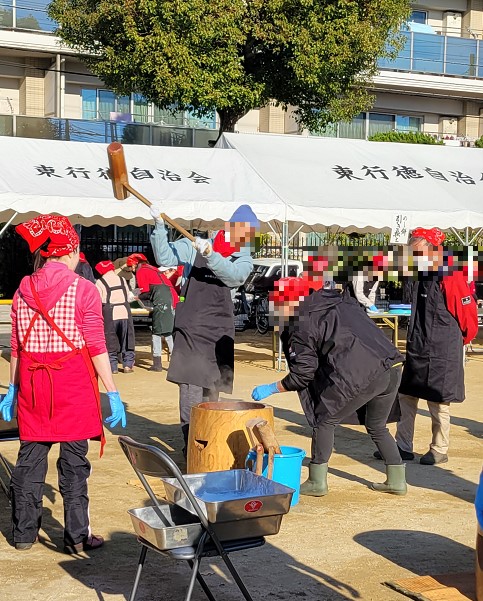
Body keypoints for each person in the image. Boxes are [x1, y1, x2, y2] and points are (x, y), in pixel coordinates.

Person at [0, 215, 127, 553]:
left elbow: (16, 346)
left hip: (32, 384)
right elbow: (97, 346)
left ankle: (24, 535)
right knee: (74, 464)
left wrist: (12, 388)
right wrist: (112, 392)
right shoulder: (83, 288)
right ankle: (75, 537)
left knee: (29, 460)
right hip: (72, 385)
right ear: (70, 250)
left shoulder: (22, 289)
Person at [251, 276, 407, 496]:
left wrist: (272, 388)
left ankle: (317, 481)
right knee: (376, 424)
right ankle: (397, 480)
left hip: (363, 373)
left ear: (288, 303)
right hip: (392, 365)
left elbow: (303, 374)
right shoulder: (338, 302)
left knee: (325, 420)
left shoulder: (301, 323)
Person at [149, 203, 259, 450]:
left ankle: (207, 445)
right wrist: (159, 226)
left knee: (212, 392)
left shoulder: (243, 258)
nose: (245, 237)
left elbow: (232, 276)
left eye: (249, 234)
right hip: (191, 329)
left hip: (218, 334)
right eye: (243, 230)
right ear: (230, 226)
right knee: (190, 390)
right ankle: (191, 447)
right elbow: (164, 257)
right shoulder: (192, 245)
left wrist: (211, 254)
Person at [390, 227, 478, 465]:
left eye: (417, 251)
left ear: (432, 248)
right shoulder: (419, 271)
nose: (414, 256)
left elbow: (466, 312)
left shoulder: (451, 273)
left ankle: (439, 448)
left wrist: (463, 339)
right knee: (406, 394)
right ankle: (403, 446)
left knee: (439, 400)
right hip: (418, 341)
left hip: (443, 346)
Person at [95, 260, 136, 374]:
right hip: (124, 313)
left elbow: (99, 300)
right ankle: (128, 365)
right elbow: (128, 297)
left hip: (110, 314)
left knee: (110, 340)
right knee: (127, 339)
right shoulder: (122, 279)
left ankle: (113, 367)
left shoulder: (100, 282)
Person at [150, 265, 179, 372]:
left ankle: (157, 363)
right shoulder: (168, 283)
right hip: (172, 309)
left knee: (157, 334)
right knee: (168, 334)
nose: (164, 274)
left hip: (168, 309)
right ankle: (174, 364)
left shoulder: (165, 283)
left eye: (166, 271)